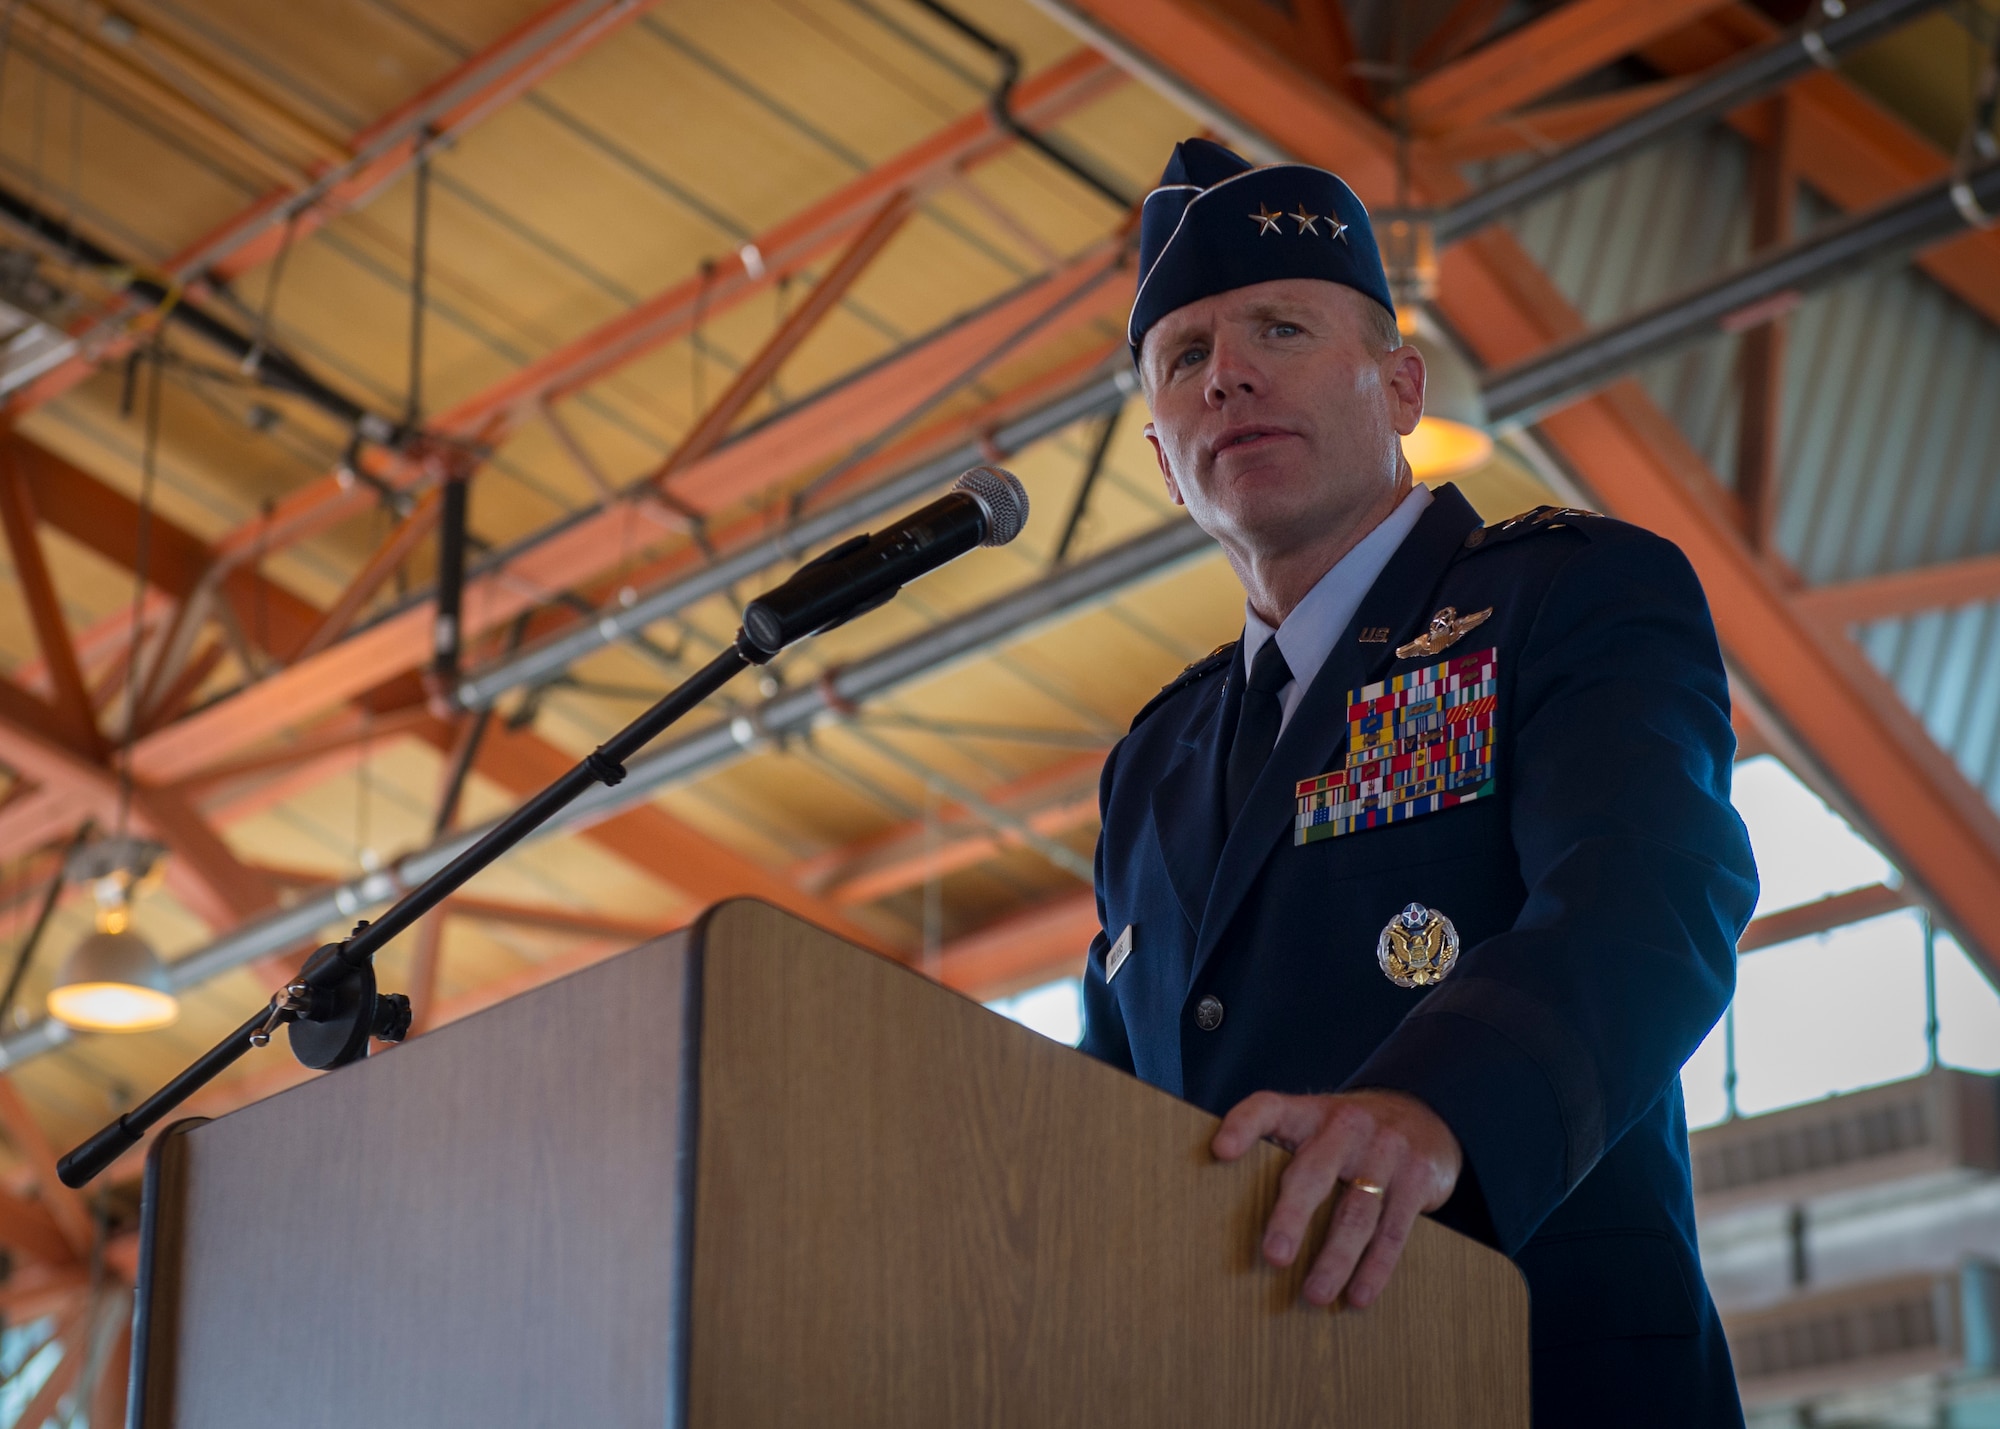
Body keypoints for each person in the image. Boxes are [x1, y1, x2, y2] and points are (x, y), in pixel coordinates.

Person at [1079, 137, 1759, 1428]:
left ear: (1400, 385)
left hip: (1536, 1377)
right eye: (1184, 357)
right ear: (1166, 461)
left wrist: (1436, 1105)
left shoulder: (1566, 595)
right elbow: (1107, 1109)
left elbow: (1650, 891)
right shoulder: (1147, 769)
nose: (1226, 373)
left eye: (1279, 326)